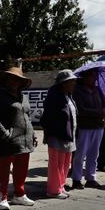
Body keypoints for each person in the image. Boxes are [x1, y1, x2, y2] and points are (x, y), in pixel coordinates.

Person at [0, 66, 36, 209]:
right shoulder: (0, 97)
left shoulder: (23, 97)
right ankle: (1, 197)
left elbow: (27, 117)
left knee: (21, 169)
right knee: (4, 169)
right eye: (12, 78)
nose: (15, 82)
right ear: (6, 80)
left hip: (25, 140)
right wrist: (5, 134)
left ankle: (19, 195)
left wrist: (32, 134)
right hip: (7, 141)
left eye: (18, 79)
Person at [40, 70, 77, 198]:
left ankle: (61, 186)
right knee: (56, 164)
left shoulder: (69, 96)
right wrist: (49, 133)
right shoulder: (54, 97)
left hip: (68, 135)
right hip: (57, 135)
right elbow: (46, 118)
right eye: (71, 81)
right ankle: (53, 190)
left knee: (66, 162)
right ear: (63, 83)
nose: (74, 83)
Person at [71, 67, 105, 189]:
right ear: (85, 77)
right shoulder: (78, 90)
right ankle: (76, 179)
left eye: (95, 76)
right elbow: (81, 110)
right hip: (84, 126)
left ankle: (91, 178)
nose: (94, 78)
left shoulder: (98, 90)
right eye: (92, 76)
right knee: (80, 154)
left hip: (98, 126)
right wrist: (99, 112)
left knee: (94, 154)